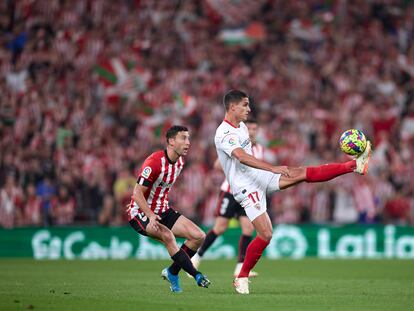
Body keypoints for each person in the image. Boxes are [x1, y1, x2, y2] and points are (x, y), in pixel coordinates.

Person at [214, 90, 372, 294]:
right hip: (246, 187)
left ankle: (354, 166)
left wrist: (269, 169)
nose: (249, 109)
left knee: (301, 173)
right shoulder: (223, 133)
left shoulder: (242, 127)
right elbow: (241, 157)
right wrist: (272, 168)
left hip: (259, 176)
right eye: (245, 105)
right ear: (233, 107)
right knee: (266, 234)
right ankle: (242, 277)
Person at [127, 125, 211, 293]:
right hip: (141, 213)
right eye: (183, 138)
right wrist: (150, 215)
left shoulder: (180, 162)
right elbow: (137, 193)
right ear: (171, 142)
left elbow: (162, 188)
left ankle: (172, 272)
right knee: (168, 235)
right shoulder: (154, 162)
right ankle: (197, 275)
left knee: (199, 236)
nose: (188, 142)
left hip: (163, 210)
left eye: (188, 138)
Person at [192, 119, 264, 277]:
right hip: (230, 192)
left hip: (246, 194)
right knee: (220, 227)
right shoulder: (236, 145)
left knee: (248, 228)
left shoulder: (259, 149)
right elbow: (218, 164)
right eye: (249, 128)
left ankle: (240, 266)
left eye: (255, 128)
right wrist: (234, 171)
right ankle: (197, 256)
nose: (252, 131)